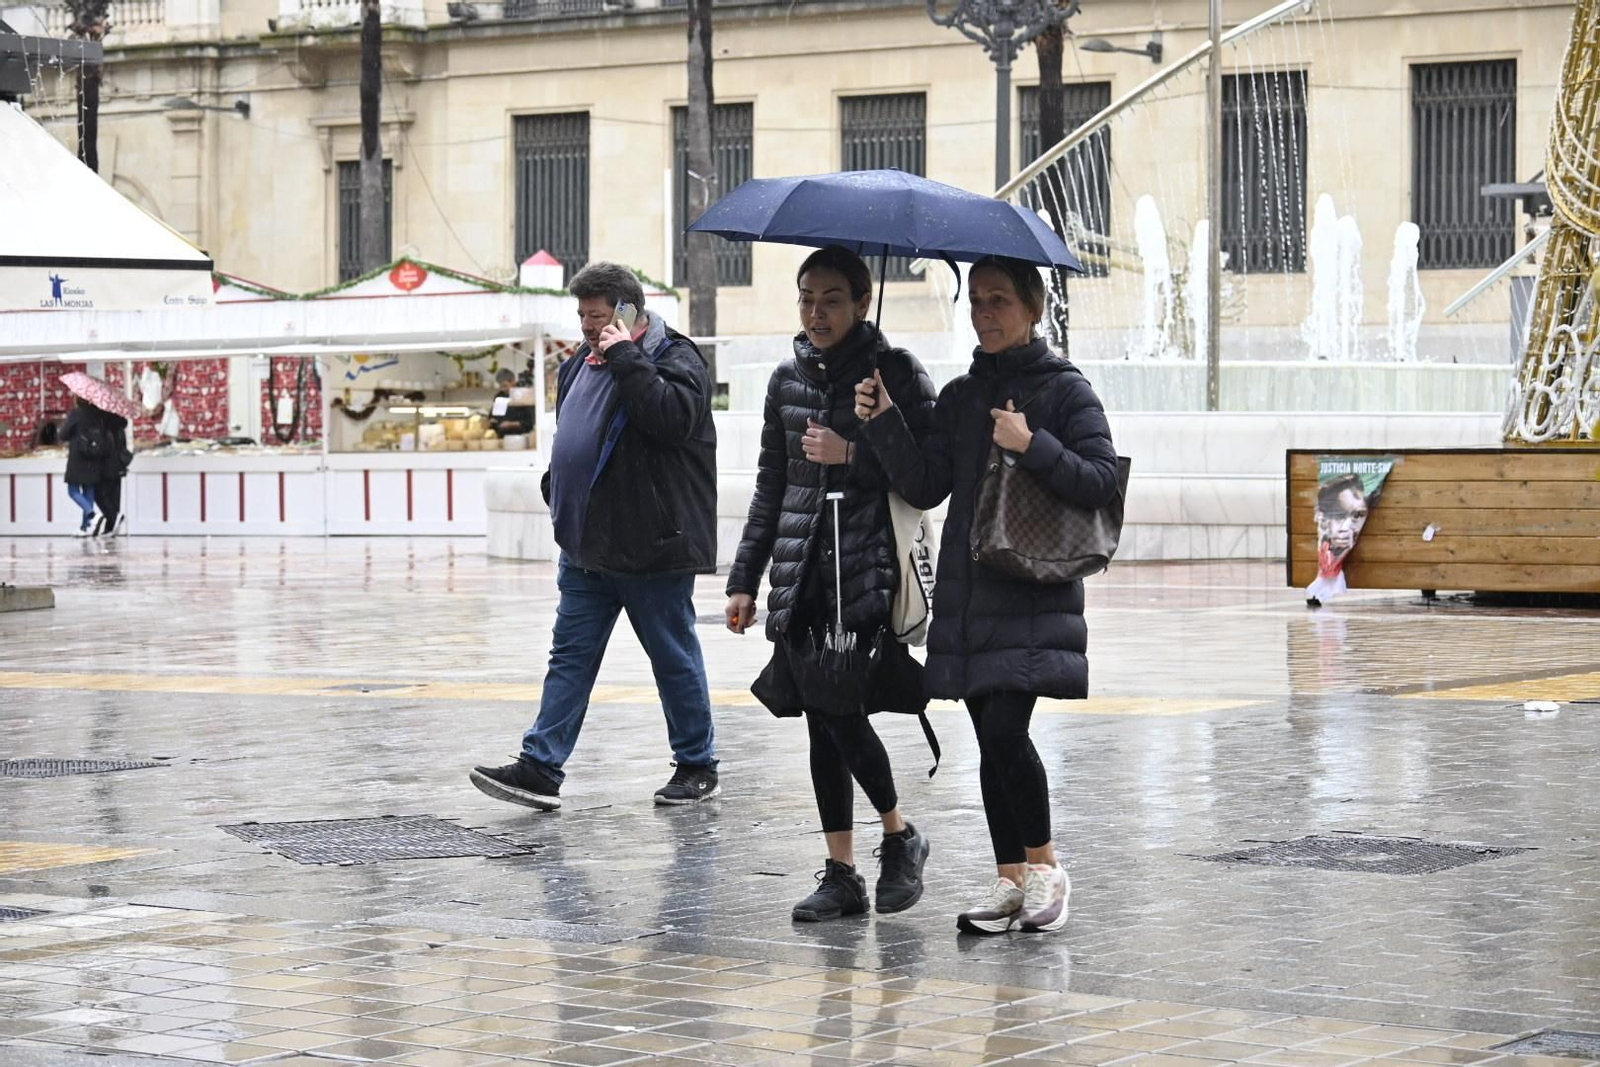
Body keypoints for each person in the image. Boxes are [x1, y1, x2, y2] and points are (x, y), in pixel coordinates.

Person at [854, 254, 1120, 935]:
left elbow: (1099, 484)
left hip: (1032, 591)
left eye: (999, 299)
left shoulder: (1066, 391)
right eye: (976, 300)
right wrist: (884, 421)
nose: (984, 312)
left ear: (1034, 309)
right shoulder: (964, 395)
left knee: (1006, 731)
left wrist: (1032, 444)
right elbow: (925, 484)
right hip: (970, 600)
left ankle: (1046, 868)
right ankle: (1009, 880)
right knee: (988, 738)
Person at [726, 245, 937, 922]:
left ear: (863, 301)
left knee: (841, 710)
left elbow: (927, 479)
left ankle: (901, 832)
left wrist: (856, 451)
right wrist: (744, 578)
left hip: (863, 571)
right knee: (821, 721)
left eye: (833, 299)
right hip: (802, 575)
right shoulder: (787, 380)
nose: (817, 313)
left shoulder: (895, 373)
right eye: (806, 298)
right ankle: (842, 870)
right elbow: (772, 485)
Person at [470, 262, 721, 811]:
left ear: (629, 312)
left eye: (598, 316)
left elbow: (671, 419)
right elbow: (579, 433)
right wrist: (558, 484)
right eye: (582, 315)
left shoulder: (674, 357)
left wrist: (626, 355)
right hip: (587, 546)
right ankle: (541, 765)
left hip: (653, 545)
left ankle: (697, 764)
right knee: (570, 656)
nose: (586, 326)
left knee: (671, 655)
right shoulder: (579, 366)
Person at [58, 398, 128, 538]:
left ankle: (93, 516)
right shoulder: (99, 414)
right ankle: (85, 527)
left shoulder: (77, 414)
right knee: (88, 492)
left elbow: (63, 434)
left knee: (73, 491)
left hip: (79, 459)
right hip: (95, 459)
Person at [492, 368, 536, 437]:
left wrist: (511, 424)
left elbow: (530, 422)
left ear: (513, 381)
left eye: (505, 386)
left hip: (522, 436)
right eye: (501, 387)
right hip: (502, 437)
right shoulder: (499, 396)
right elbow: (494, 417)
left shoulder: (524, 394)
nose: (503, 389)